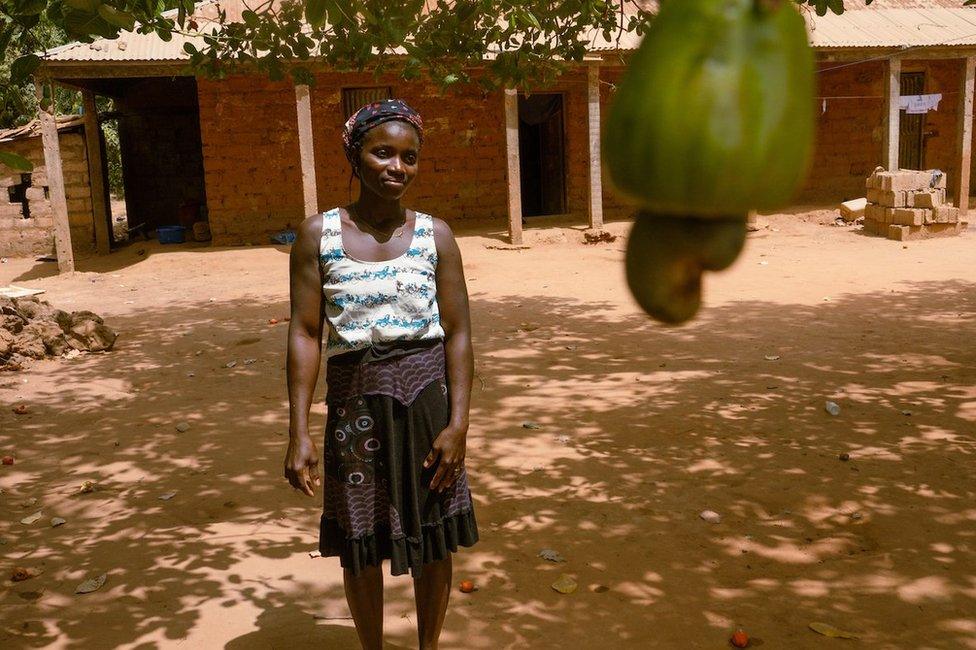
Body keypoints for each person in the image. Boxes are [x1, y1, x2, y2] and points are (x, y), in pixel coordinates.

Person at [284, 98, 478, 650]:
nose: (397, 167)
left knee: (434, 540)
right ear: (355, 154)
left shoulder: (435, 235)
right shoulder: (315, 235)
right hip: (353, 404)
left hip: (425, 401)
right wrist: (298, 429)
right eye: (383, 152)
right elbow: (304, 333)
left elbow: (459, 332)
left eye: (409, 157)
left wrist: (458, 423)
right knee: (360, 540)